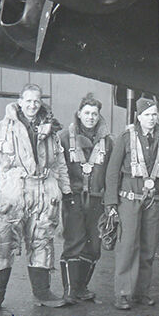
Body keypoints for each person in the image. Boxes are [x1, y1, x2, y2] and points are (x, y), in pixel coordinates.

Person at [0, 83, 71, 311]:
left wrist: (66, 191)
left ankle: (42, 293)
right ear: (20, 102)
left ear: (41, 103)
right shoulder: (0, 130)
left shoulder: (51, 132)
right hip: (12, 197)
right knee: (3, 245)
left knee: (42, 243)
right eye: (28, 101)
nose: (32, 105)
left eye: (36, 101)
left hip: (43, 196)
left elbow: (59, 164)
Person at [104, 97, 159, 310]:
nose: (151, 119)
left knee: (148, 247)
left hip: (155, 200)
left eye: (154, 115)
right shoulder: (126, 138)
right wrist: (111, 203)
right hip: (129, 199)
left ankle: (141, 292)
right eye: (147, 115)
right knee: (127, 247)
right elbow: (112, 172)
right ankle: (123, 293)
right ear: (138, 117)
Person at [58, 93, 113, 304]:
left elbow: (111, 172)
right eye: (87, 113)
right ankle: (70, 290)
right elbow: (59, 168)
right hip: (74, 198)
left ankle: (82, 287)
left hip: (97, 199)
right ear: (79, 114)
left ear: (99, 116)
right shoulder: (64, 138)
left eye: (95, 114)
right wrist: (64, 194)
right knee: (74, 242)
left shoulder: (108, 141)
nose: (90, 117)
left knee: (94, 245)